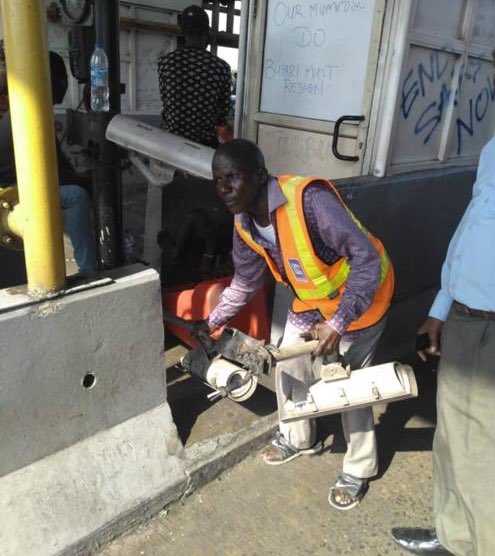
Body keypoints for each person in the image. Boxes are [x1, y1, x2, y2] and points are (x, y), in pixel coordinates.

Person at [195, 139, 395, 509]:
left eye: (233, 177)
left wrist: (338, 321)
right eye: (217, 179)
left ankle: (359, 468)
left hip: (364, 297)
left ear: (258, 175)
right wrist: (213, 320)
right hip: (314, 301)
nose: (224, 188)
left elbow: (365, 259)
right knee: (287, 361)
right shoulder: (243, 224)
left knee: (351, 384)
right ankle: (300, 437)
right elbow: (245, 281)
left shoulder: (309, 200)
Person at [391, 137, 495, 552]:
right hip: (465, 321)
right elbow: (472, 227)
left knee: (485, 457)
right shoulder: (493, 148)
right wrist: (440, 306)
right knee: (451, 439)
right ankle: (454, 538)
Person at [0, 51, 96, 275]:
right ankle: (87, 270)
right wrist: (91, 179)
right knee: (77, 195)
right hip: (11, 195)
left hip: (13, 187)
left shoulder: (18, 111)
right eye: (60, 79)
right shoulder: (29, 116)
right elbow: (54, 172)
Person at [157, 4, 232, 148]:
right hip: (203, 149)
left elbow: (166, 106)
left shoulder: (165, 63)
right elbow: (221, 117)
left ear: (183, 32)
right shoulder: (221, 68)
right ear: (207, 32)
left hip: (172, 145)